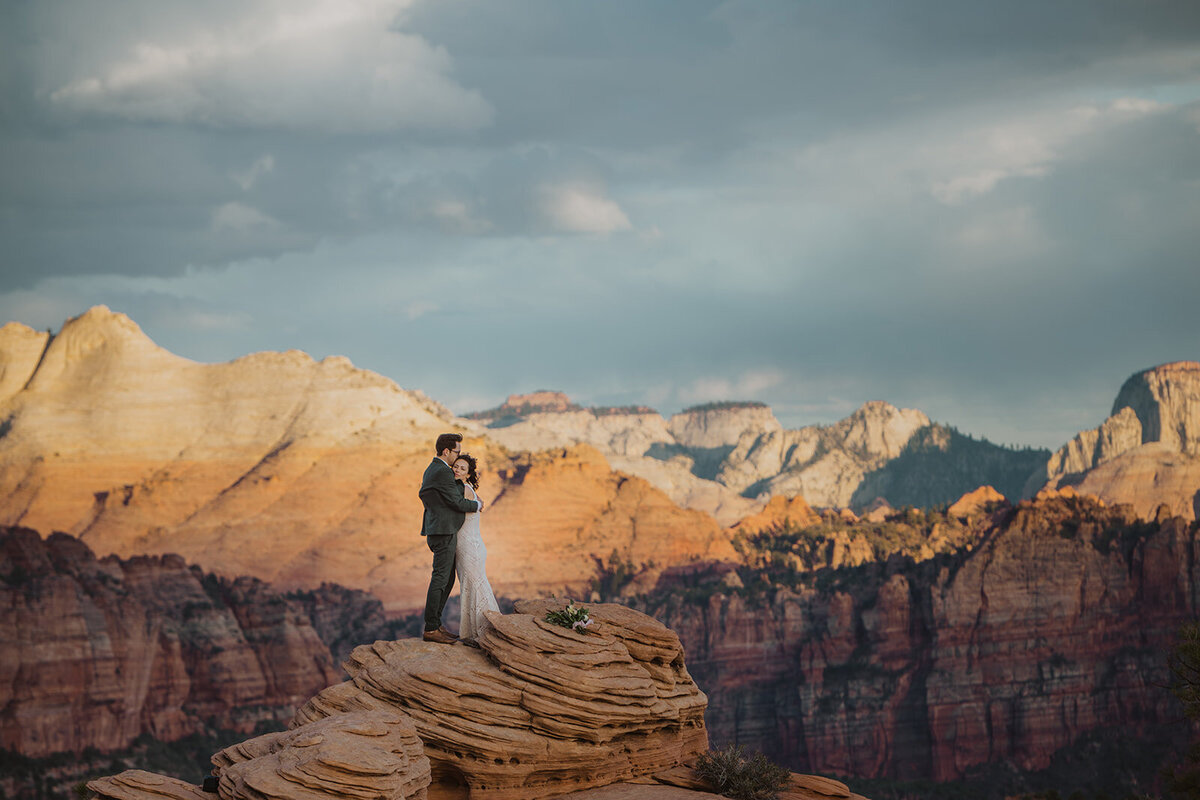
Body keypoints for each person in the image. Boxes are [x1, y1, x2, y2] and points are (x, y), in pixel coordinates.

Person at [418, 432, 483, 645]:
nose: (458, 455)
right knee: (440, 578)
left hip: (440, 529)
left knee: (447, 579)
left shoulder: (434, 469)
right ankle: (431, 628)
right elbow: (457, 503)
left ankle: (435, 625)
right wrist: (478, 505)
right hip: (443, 531)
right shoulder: (442, 472)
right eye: (457, 451)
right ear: (446, 451)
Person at [451, 452, 499, 643]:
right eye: (456, 466)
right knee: (472, 586)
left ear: (468, 474)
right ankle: (477, 631)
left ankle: (484, 632)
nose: (457, 470)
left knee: (474, 587)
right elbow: (478, 503)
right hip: (471, 545)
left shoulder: (463, 489)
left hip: (469, 547)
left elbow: (456, 505)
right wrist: (479, 503)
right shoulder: (467, 488)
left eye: (462, 468)